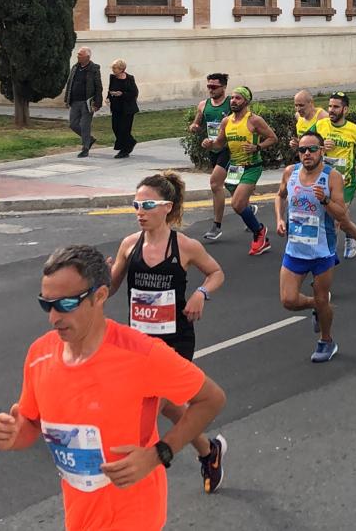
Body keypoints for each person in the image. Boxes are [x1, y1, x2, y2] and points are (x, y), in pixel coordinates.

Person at [0, 245, 227, 530]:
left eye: (65, 305)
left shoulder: (141, 354)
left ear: (99, 296)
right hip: (80, 515)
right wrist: (14, 436)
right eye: (46, 304)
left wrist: (159, 453)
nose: (53, 317)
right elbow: (32, 425)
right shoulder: (39, 354)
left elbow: (211, 398)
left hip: (134, 515)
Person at [106, 172, 228, 492]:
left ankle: (138, 469)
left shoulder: (185, 246)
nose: (140, 211)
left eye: (147, 204)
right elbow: (111, 286)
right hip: (138, 342)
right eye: (136, 204)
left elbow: (216, 273)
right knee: (172, 407)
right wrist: (96, 280)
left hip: (174, 340)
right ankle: (208, 451)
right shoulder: (128, 245)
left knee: (148, 408)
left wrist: (201, 293)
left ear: (166, 207)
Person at [273, 129, 356, 363]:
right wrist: (280, 219)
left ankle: (326, 341)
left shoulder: (331, 176)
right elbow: (280, 196)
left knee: (323, 297)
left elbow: (341, 214)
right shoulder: (290, 173)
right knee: (288, 301)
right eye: (302, 150)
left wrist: (324, 199)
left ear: (321, 151)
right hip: (295, 249)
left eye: (312, 149)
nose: (306, 154)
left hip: (322, 250)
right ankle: (317, 305)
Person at [314, 91, 356, 265]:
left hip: (345, 182)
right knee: (341, 218)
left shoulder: (354, 130)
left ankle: (327, 262)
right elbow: (307, 143)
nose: (331, 110)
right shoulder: (321, 125)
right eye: (330, 106)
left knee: (335, 220)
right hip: (323, 179)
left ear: (345, 110)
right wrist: (320, 145)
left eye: (336, 107)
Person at [222, 87, 280, 257]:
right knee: (239, 202)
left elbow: (273, 138)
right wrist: (209, 144)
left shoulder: (254, 120)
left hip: (252, 167)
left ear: (246, 101)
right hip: (234, 168)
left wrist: (257, 147)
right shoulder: (226, 122)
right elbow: (219, 142)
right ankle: (251, 214)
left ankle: (259, 232)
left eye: (238, 98)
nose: (233, 101)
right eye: (232, 98)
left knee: (237, 204)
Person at [186, 73, 232, 242]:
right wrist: (194, 126)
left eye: (214, 87)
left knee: (215, 184)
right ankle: (247, 210)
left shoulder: (230, 104)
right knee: (230, 186)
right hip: (212, 149)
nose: (211, 90)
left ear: (223, 87)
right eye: (209, 86)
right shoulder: (203, 105)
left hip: (228, 149)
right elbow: (197, 123)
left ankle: (216, 226)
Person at [66, 47, 103, 158]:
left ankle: (85, 148)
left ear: (87, 57)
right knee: (73, 124)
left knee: (85, 125)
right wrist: (67, 99)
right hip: (75, 101)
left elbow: (98, 87)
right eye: (78, 54)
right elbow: (69, 83)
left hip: (87, 102)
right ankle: (89, 139)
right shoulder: (75, 67)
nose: (78, 56)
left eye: (80, 55)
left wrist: (97, 103)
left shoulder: (94, 68)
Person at [108, 59, 139, 158]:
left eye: (115, 68)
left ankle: (124, 150)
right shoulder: (112, 77)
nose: (113, 70)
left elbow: (134, 93)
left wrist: (122, 94)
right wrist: (108, 97)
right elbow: (110, 89)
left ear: (122, 69)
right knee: (115, 127)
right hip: (116, 107)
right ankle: (131, 142)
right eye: (112, 68)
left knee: (124, 129)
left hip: (128, 108)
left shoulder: (129, 78)